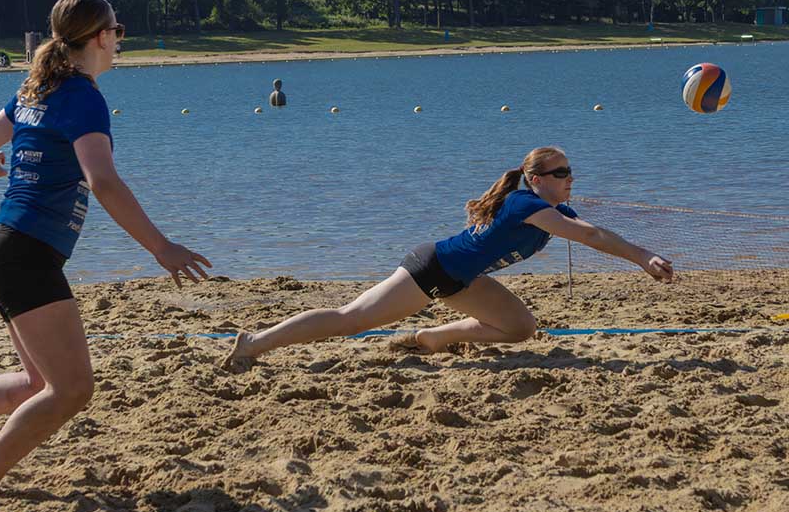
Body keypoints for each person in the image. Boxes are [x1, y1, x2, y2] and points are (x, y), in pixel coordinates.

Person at [0, 0, 211, 510]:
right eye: (118, 30)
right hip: (24, 253)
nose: (119, 41)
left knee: (35, 384)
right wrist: (162, 247)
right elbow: (104, 182)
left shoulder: (36, 87)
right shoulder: (84, 96)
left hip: (5, 246)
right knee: (71, 391)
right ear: (100, 37)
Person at [223, 145, 672, 373]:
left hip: (465, 279)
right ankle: (254, 344)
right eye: (561, 173)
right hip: (431, 269)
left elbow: (591, 230)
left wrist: (637, 252)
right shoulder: (523, 204)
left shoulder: (555, 210)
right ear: (535, 180)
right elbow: (589, 235)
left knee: (521, 329)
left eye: (571, 171)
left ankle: (431, 338)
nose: (570, 178)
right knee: (350, 320)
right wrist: (643, 255)